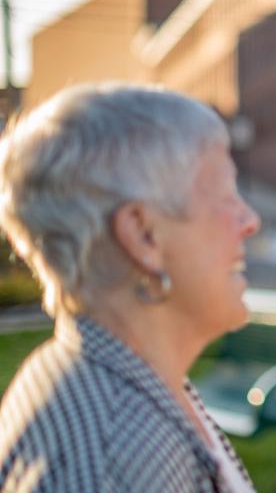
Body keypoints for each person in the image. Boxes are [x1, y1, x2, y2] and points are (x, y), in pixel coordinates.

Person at [0, 83, 261, 493]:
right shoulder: (112, 457)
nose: (249, 220)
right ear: (143, 234)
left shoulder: (136, 381)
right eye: (227, 193)